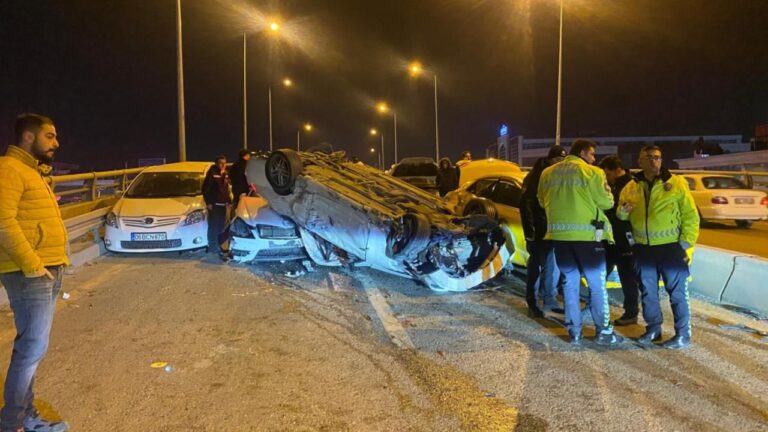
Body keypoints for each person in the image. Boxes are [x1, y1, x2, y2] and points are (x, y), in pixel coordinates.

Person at [0, 113, 70, 432]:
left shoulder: (32, 172)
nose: (56, 143)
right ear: (28, 137)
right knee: (31, 349)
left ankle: (25, 418)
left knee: (31, 348)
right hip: (30, 273)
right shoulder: (9, 169)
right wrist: (33, 265)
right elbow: (3, 223)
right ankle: (13, 423)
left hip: (45, 270)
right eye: (50, 136)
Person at [538, 139, 623, 346]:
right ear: (584, 153)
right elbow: (606, 202)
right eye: (593, 154)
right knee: (597, 286)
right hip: (588, 238)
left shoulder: (548, 172)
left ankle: (574, 332)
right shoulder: (592, 172)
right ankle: (603, 332)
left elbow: (541, 200)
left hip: (560, 238)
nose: (594, 158)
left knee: (569, 284)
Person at [617, 146, 699, 349]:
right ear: (640, 162)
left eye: (657, 158)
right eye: (648, 158)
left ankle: (682, 334)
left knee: (678, 293)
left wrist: (684, 245)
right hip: (643, 249)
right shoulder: (631, 186)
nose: (653, 161)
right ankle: (653, 328)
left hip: (671, 248)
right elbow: (621, 215)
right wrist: (622, 211)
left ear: (662, 160)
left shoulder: (676, 183)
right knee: (648, 292)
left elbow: (691, 215)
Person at [520, 145, 566, 317]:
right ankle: (532, 301)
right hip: (538, 231)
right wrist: (529, 233)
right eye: (557, 160)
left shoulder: (559, 176)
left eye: (563, 160)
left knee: (552, 266)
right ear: (550, 159)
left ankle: (549, 299)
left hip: (555, 229)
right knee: (536, 266)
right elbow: (525, 206)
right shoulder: (535, 177)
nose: (560, 163)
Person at [598, 155, 641, 326]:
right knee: (600, 275)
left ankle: (631, 313)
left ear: (617, 170)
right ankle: (595, 306)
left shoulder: (632, 185)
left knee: (628, 278)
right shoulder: (611, 184)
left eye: (607, 173)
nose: (605, 177)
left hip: (625, 238)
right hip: (609, 239)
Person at [202, 155, 231, 254]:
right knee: (213, 226)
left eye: (224, 163)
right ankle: (212, 245)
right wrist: (209, 202)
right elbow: (206, 189)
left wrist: (229, 201)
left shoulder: (225, 174)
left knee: (220, 226)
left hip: (223, 205)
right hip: (214, 205)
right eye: (221, 163)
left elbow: (226, 190)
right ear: (216, 164)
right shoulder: (212, 173)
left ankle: (218, 244)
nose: (223, 165)